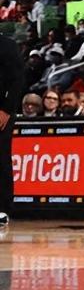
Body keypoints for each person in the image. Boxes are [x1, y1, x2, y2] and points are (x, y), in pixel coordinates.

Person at [0, 35, 25, 225]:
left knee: (1, 159)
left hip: (1, 110)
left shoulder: (7, 44)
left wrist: (7, 110)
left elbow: (17, 79)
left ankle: (3, 208)